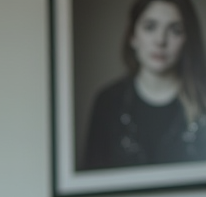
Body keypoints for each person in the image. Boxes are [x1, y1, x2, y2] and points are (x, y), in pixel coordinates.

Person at [82, 0, 206, 170]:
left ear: (187, 39)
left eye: (175, 30)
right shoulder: (108, 102)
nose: (160, 40)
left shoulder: (202, 100)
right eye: (150, 27)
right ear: (132, 36)